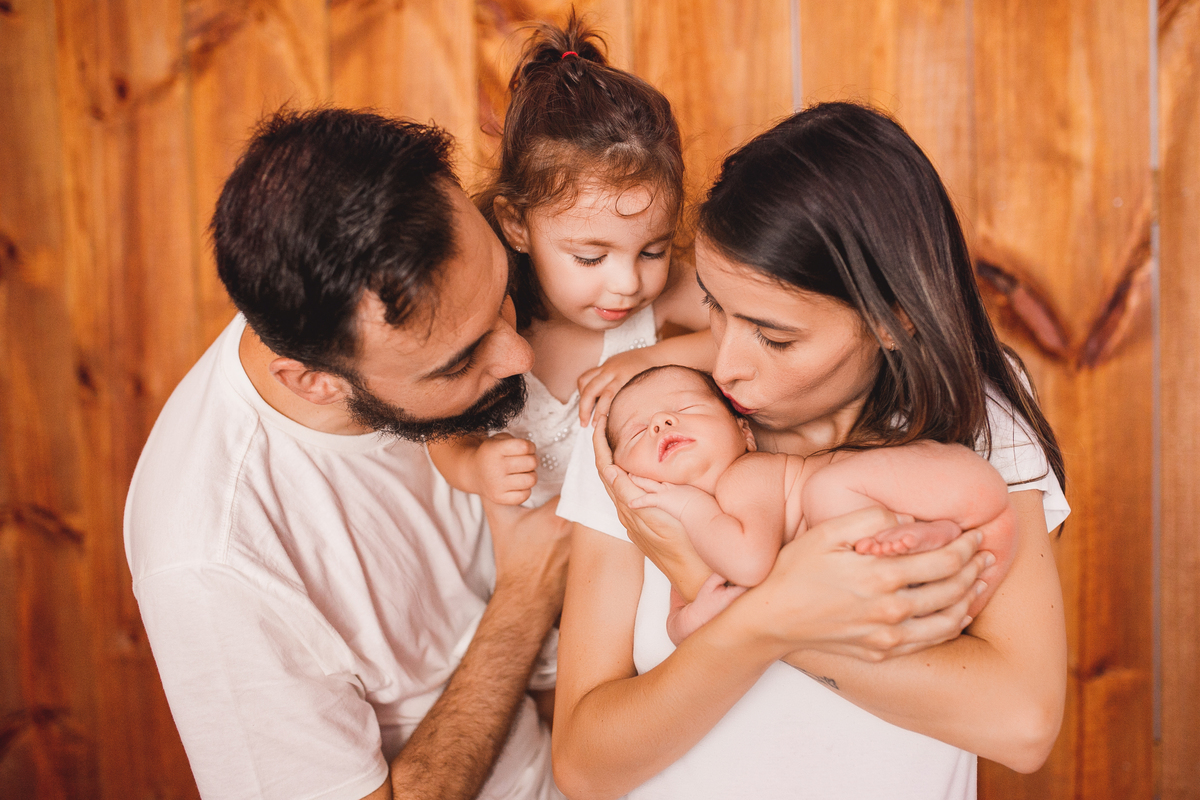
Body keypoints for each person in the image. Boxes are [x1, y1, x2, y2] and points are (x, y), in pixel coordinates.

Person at [552, 102, 1070, 799]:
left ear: (894, 321)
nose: (726, 366)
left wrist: (738, 604)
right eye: (713, 304)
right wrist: (771, 618)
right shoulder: (649, 423)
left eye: (776, 337)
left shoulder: (977, 413)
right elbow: (585, 768)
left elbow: (1021, 722)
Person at [124, 109, 572, 800]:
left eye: (502, 297)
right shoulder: (213, 560)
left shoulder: (351, 294)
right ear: (314, 381)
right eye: (459, 362)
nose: (518, 356)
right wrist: (527, 594)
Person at [428, 15, 712, 509]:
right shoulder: (493, 316)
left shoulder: (667, 296)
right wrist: (474, 467)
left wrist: (652, 358)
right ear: (517, 225)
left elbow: (750, 338)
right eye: (590, 257)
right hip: (518, 546)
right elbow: (441, 427)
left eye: (653, 251)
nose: (627, 283)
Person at [604, 364, 1015, 644]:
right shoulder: (693, 538)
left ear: (744, 432)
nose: (661, 423)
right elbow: (681, 626)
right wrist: (691, 618)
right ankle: (921, 537)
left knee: (827, 492)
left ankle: (920, 530)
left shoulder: (747, 475)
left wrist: (689, 507)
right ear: (625, 478)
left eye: (685, 407)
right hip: (947, 585)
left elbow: (749, 564)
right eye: (637, 432)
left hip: (958, 488)